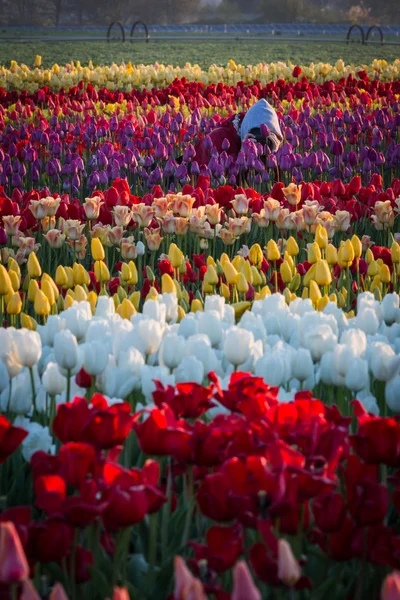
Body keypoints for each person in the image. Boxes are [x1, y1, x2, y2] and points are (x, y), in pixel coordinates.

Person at [194, 98, 283, 179]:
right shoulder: (219, 140)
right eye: (257, 137)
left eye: (268, 138)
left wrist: (274, 155)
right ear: (246, 130)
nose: (260, 145)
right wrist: (242, 154)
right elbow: (216, 183)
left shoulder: (274, 144)